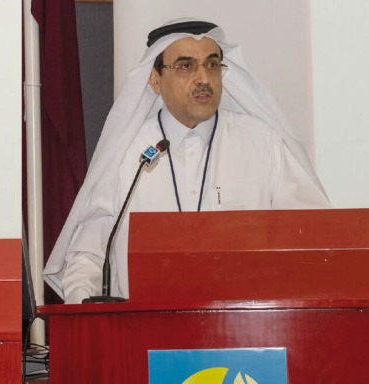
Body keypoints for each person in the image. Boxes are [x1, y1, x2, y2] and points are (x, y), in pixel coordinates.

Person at [42, 19, 330, 304]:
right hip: (143, 338)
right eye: (185, 66)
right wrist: (86, 316)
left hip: (246, 336)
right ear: (155, 80)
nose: (203, 78)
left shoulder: (262, 143)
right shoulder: (127, 154)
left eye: (212, 64)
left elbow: (312, 238)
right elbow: (88, 256)